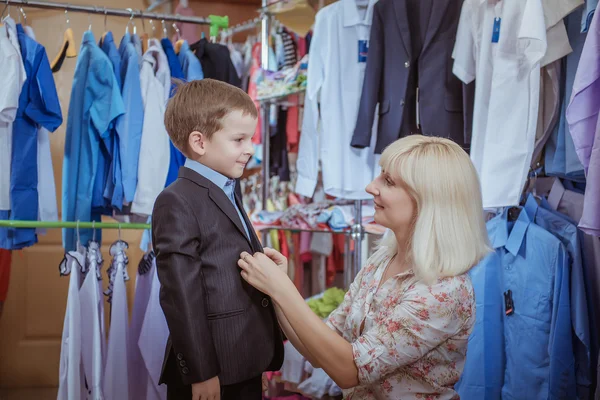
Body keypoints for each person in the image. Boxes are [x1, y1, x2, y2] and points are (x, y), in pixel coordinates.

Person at [238, 135, 491, 399]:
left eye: (388, 181)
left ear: (427, 200)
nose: (371, 187)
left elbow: (350, 370)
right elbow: (319, 350)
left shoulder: (444, 291)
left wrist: (282, 290)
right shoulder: (381, 261)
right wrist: (277, 292)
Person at [152, 79, 284, 400]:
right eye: (239, 139)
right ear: (199, 142)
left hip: (243, 358)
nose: (250, 149)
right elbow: (181, 295)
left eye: (250, 138)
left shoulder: (227, 187)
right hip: (210, 369)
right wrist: (202, 372)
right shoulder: (176, 200)